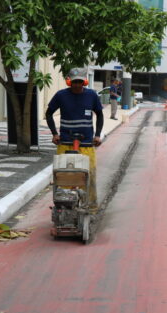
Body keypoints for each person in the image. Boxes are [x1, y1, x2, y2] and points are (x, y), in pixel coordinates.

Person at [45, 67, 104, 213]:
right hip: (65, 143)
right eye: (74, 82)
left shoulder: (92, 95)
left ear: (84, 82)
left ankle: (90, 206)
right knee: (64, 175)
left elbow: (100, 115)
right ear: (69, 82)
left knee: (89, 173)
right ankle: (64, 206)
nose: (77, 85)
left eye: (79, 82)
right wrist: (54, 133)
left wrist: (97, 135)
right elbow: (49, 114)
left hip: (86, 144)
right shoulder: (61, 95)